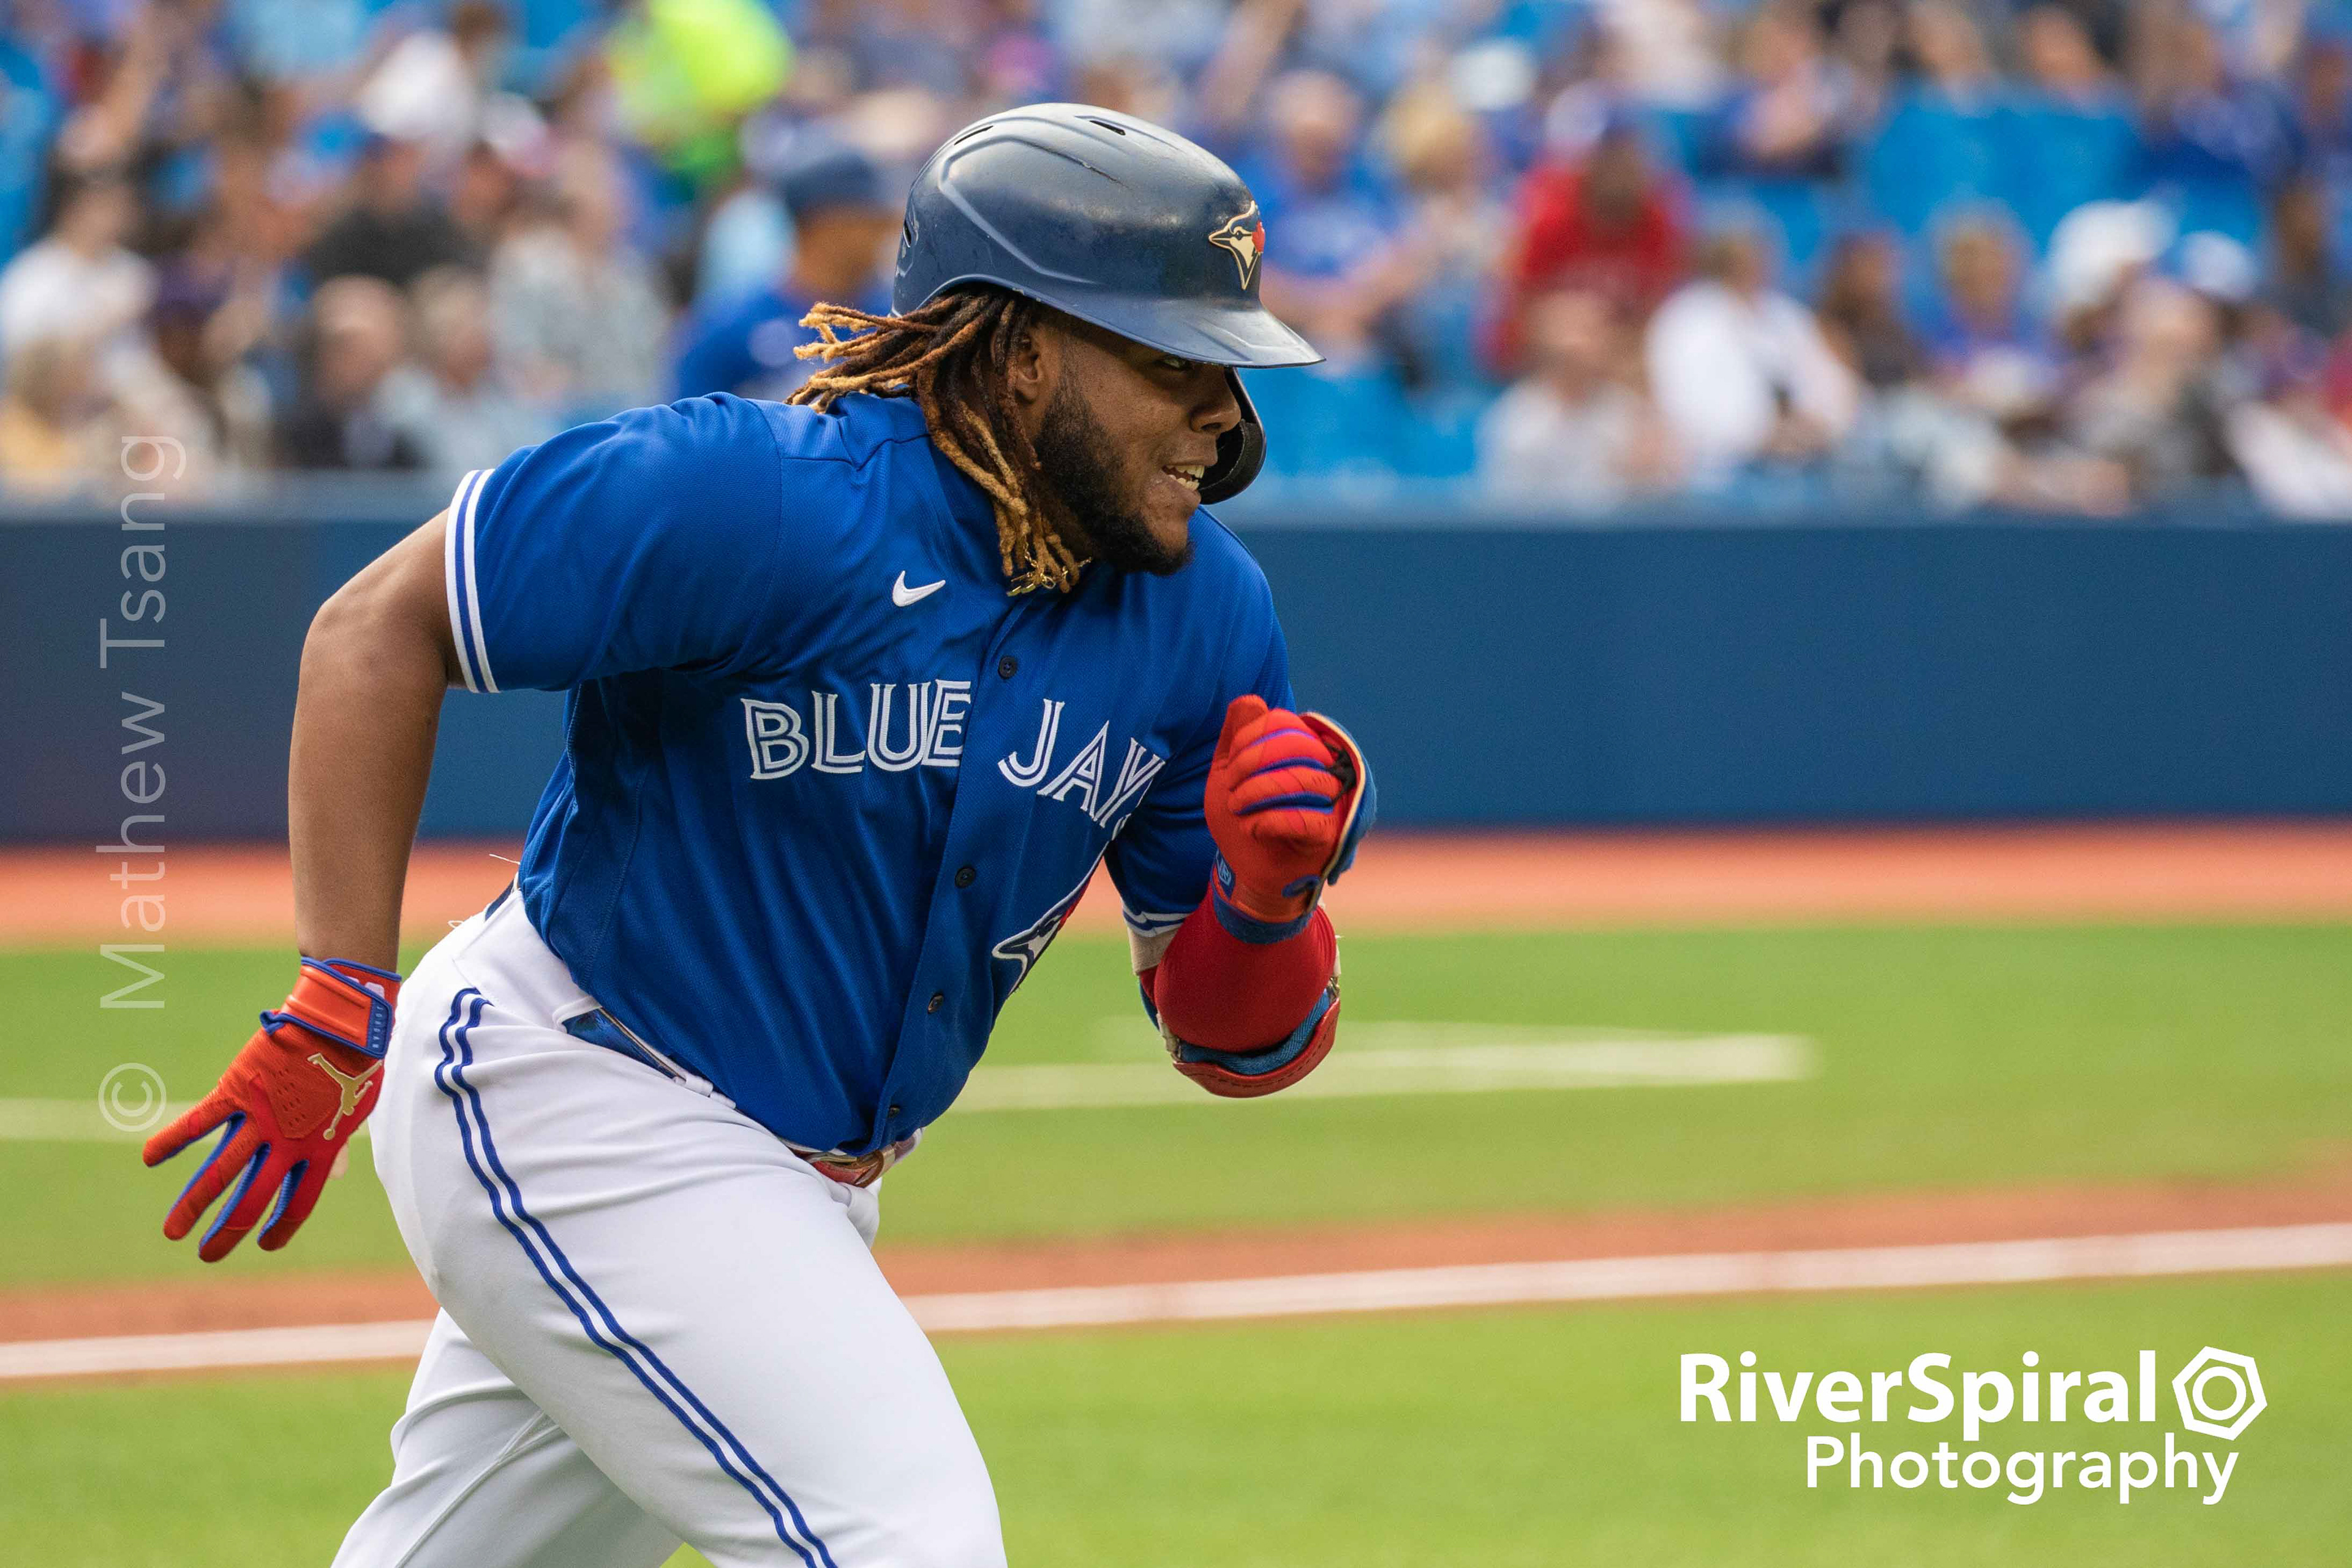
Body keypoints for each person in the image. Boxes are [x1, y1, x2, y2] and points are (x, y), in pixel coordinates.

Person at [141, 104, 1373, 1568]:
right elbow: (373, 628)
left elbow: (1235, 1046)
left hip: (784, 1181)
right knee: (903, 1535)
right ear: (1024, 344)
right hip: (577, 1081)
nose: (1222, 419)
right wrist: (339, 990)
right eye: (1175, 363)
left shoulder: (1202, 610)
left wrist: (1263, 899)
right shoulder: (760, 495)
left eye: (1227, 372)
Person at [671, 135, 900, 400]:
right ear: (824, 225)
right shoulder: (728, 326)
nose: (884, 234)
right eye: (870, 222)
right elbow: (687, 429)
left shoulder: (899, 317)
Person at [1643, 217, 1858, 475]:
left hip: (1807, 461)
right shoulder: (1686, 319)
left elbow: (1832, 384)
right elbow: (1680, 401)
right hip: (1717, 471)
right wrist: (1759, 434)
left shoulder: (1787, 315)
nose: (1757, 266)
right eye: (1745, 258)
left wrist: (1817, 422)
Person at [1477, 288, 1673, 507]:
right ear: (1546, 342)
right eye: (1582, 332)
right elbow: (1509, 513)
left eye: (1598, 331)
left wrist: (1651, 474)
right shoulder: (1516, 421)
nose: (1591, 344)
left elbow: (1659, 503)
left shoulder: (1630, 412)